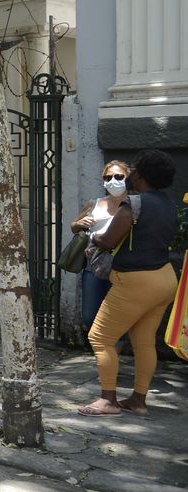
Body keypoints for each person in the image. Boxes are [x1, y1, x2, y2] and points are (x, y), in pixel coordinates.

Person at [78, 149, 179, 418]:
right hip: (165, 278)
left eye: (133, 169)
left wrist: (94, 238)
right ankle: (138, 400)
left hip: (135, 280)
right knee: (144, 341)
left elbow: (108, 240)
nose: (130, 173)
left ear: (141, 174)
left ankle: (108, 400)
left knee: (100, 337)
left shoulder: (133, 205)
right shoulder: (169, 204)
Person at [70, 161, 131, 330]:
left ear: (128, 178)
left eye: (119, 176)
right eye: (108, 177)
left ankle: (112, 351)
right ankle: (102, 349)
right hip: (93, 265)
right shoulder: (94, 203)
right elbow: (74, 226)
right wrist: (79, 223)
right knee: (90, 315)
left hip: (122, 267)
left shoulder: (135, 204)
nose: (113, 181)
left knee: (118, 315)